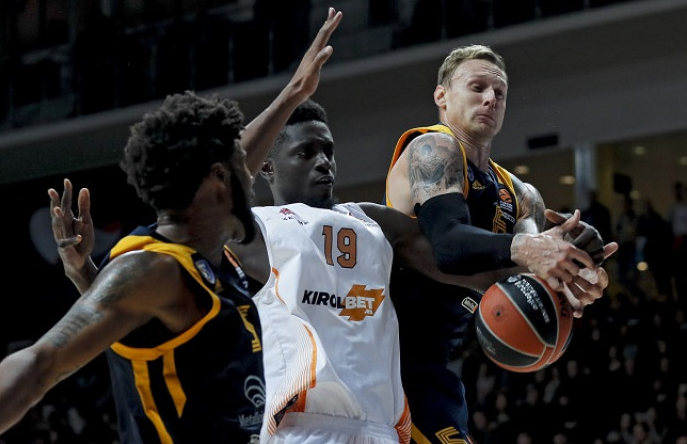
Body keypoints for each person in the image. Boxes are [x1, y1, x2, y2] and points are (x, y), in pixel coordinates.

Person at [49, 23, 611, 444]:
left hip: (383, 421)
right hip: (299, 423)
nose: (325, 163)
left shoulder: (372, 221)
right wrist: (84, 272)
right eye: (307, 151)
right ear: (268, 167)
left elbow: (461, 258)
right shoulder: (248, 230)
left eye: (331, 151)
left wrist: (560, 264)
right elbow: (198, 204)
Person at [0, 92, 266, 443]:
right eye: (242, 166)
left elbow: (138, 330)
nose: (252, 179)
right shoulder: (154, 269)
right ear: (219, 176)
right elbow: (43, 362)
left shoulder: (212, 265)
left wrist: (296, 91)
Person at [383, 44, 618, 443]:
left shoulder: (522, 194)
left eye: (500, 93)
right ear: (442, 96)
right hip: (387, 356)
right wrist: (529, 250)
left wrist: (576, 272)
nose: (490, 98)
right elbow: (449, 244)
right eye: (477, 87)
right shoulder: (432, 148)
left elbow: (524, 270)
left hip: (436, 366)